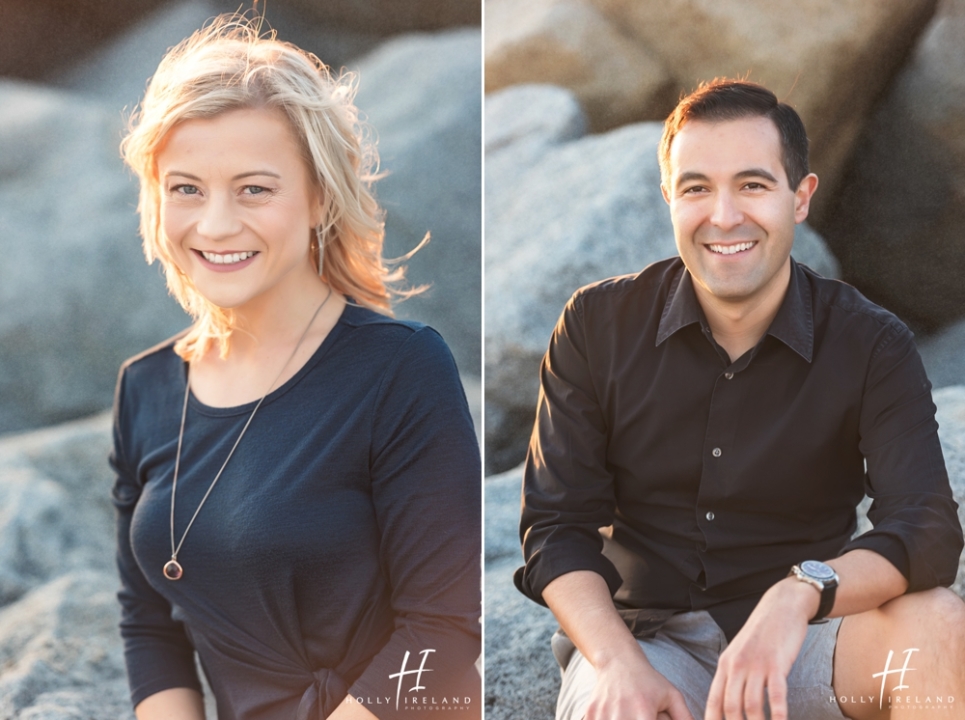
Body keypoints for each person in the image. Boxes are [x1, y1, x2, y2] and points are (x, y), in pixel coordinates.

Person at [515, 79, 965, 720]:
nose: (724, 216)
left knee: (940, 625)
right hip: (648, 645)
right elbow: (556, 529)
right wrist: (616, 665)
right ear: (669, 195)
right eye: (697, 187)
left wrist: (800, 592)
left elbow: (925, 530)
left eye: (753, 185)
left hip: (807, 642)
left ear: (800, 197)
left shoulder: (871, 342)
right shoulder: (595, 325)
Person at [110, 16, 480, 720]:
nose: (214, 224)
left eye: (253, 189)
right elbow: (149, 627)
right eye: (185, 188)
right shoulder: (145, 387)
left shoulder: (400, 368)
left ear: (318, 199)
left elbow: (441, 634)